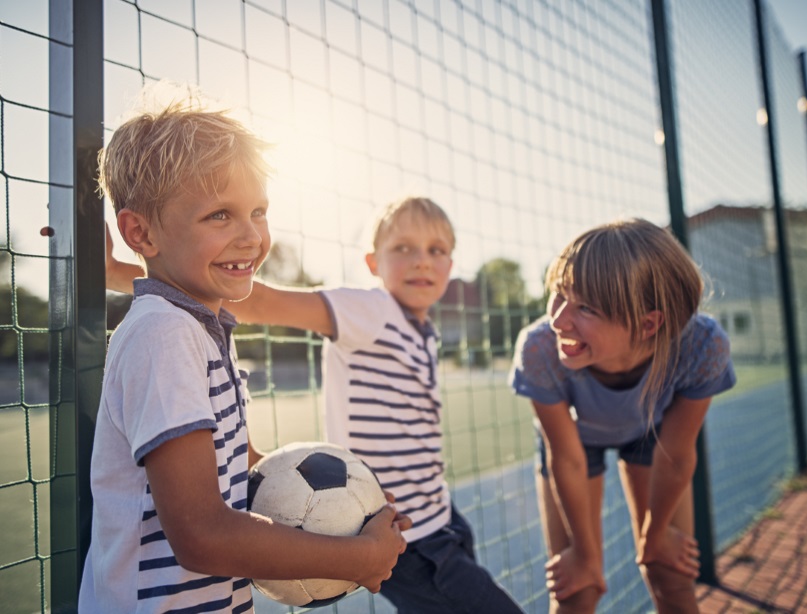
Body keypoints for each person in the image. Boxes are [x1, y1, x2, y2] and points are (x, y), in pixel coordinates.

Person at [107, 196, 524, 613]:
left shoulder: (425, 331)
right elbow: (260, 301)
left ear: (451, 265)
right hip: (407, 539)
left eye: (436, 251)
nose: (421, 262)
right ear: (373, 263)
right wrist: (116, 272)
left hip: (440, 515)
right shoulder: (369, 309)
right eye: (403, 249)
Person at [82, 90, 409, 613]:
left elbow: (240, 473)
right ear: (140, 232)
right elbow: (201, 534)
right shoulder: (163, 335)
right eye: (219, 215)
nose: (252, 236)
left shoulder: (201, 328)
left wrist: (356, 511)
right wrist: (353, 558)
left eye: (258, 211)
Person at [508, 219, 736, 614]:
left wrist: (657, 534)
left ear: (649, 323)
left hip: (651, 434)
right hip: (574, 444)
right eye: (559, 294)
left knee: (672, 577)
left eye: (586, 308)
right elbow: (567, 457)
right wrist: (583, 552)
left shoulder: (702, 345)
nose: (559, 320)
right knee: (575, 592)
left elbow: (677, 455)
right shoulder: (540, 348)